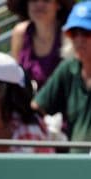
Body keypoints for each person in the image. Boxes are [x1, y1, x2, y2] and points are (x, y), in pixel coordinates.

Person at [34, 0, 91, 142]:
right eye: (73, 33)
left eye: (86, 32)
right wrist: (48, 130)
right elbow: (37, 107)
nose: (79, 39)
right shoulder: (69, 68)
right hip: (72, 162)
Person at [8, 0, 73, 91]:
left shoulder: (69, 34)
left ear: (58, 5)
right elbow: (15, 76)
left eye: (46, 0)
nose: (39, 4)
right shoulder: (20, 33)